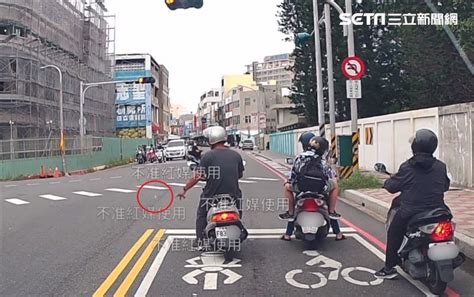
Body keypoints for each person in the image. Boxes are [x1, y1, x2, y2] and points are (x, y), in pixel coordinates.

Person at [374, 129, 450, 279]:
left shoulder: (407, 166)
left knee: (394, 232)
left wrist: (387, 182)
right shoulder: (441, 166)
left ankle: (388, 268)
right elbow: (445, 186)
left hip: (411, 211)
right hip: (438, 210)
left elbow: (392, 187)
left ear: (415, 146)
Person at [177, 126, 245, 246]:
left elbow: (197, 177)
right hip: (233, 195)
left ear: (212, 140)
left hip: (211, 196)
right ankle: (237, 227)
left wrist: (184, 189)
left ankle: (200, 240)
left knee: (201, 214)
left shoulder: (207, 156)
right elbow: (239, 175)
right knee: (238, 211)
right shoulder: (236, 155)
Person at [279, 132, 344, 241]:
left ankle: (288, 225)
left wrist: (288, 182)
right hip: (320, 189)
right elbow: (330, 176)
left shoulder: (299, 157)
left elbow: (293, 174)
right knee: (334, 190)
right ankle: (336, 226)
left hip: (301, 188)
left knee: (287, 188)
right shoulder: (323, 160)